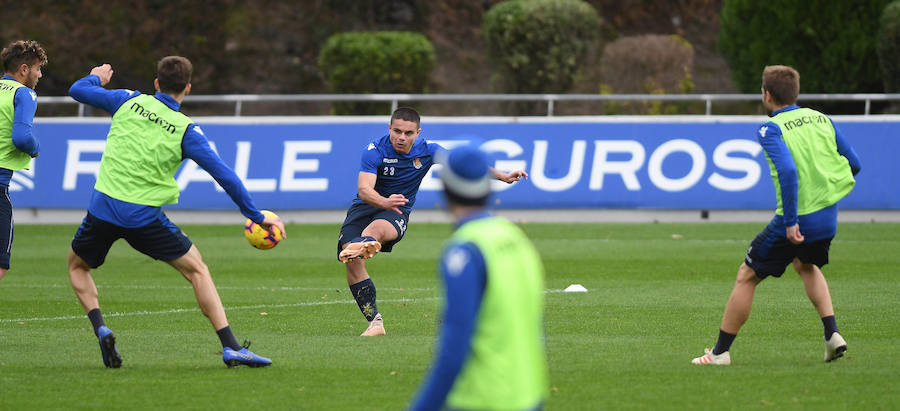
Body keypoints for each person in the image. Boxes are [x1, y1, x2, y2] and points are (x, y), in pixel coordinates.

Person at [67, 57, 286, 368]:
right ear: (188, 88)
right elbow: (224, 176)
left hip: (102, 209)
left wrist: (96, 78)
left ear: (156, 83)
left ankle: (101, 326)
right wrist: (255, 214)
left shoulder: (128, 101)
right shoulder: (186, 130)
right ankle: (231, 346)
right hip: (144, 217)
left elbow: (77, 90)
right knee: (197, 270)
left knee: (77, 266)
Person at [692, 65, 861, 365]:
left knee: (747, 275)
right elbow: (855, 163)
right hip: (827, 216)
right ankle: (832, 335)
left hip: (796, 219)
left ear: (767, 94)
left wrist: (792, 220)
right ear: (795, 92)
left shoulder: (770, 128)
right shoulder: (821, 118)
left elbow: (787, 170)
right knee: (805, 264)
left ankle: (719, 353)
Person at [337, 107, 528, 336]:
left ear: (418, 133)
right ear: (389, 128)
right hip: (365, 207)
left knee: (373, 231)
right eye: (397, 131)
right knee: (351, 260)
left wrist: (503, 175)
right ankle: (375, 322)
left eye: (408, 133)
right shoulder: (374, 151)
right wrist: (384, 201)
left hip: (396, 211)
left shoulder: (428, 151)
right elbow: (364, 190)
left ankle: (366, 242)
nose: (401, 137)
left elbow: (465, 165)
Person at [408, 144, 548, 411]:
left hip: (481, 399)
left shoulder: (465, 250)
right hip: (527, 396)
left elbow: (453, 350)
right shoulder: (516, 237)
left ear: (446, 190)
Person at [0, 40, 46, 281]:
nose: (40, 75)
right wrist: (35, 149)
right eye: (38, 68)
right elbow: (22, 137)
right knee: (0, 264)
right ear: (24, 69)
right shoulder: (24, 93)